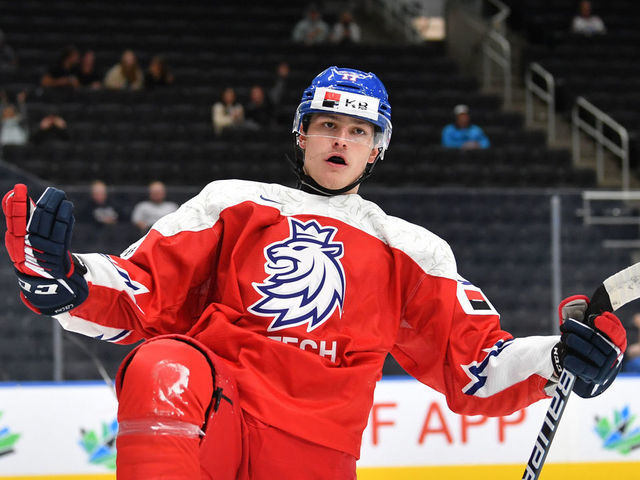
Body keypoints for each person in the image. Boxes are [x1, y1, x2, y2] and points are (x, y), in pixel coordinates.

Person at [1, 67, 627, 479]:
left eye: (358, 131)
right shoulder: (233, 202)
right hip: (220, 412)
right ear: (302, 133)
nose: (340, 140)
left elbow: (478, 367)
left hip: (314, 451)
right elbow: (142, 290)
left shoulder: (410, 250)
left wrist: (563, 356)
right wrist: (65, 279)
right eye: (327, 124)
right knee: (164, 366)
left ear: (377, 146)